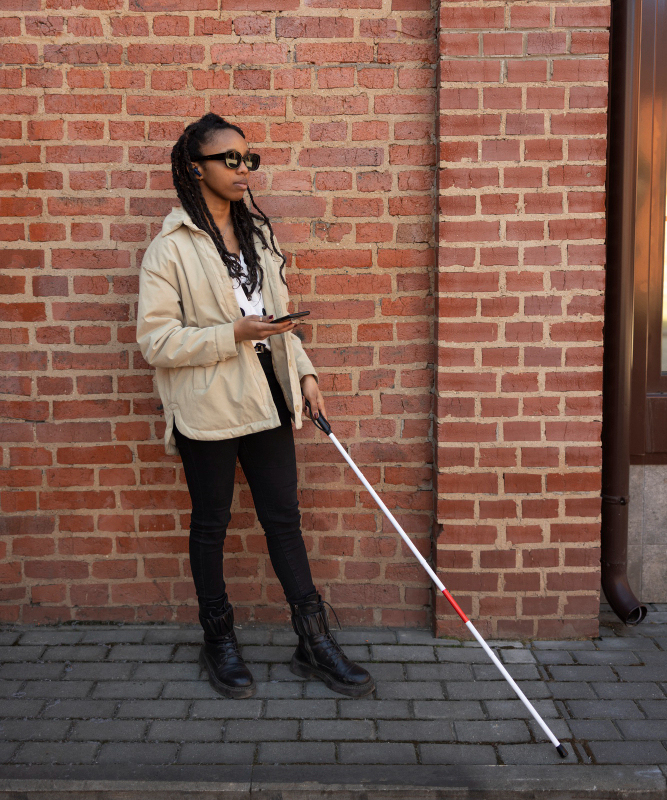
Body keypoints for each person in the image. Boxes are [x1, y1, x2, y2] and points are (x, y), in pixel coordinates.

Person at [136, 113, 374, 700]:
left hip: (270, 396)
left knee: (283, 520)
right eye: (231, 159)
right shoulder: (170, 249)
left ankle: (313, 641)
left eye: (250, 159)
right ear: (197, 169)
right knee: (212, 524)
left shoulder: (259, 238)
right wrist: (233, 335)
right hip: (209, 406)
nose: (245, 169)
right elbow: (156, 342)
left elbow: (280, 322)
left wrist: (308, 374)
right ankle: (219, 641)